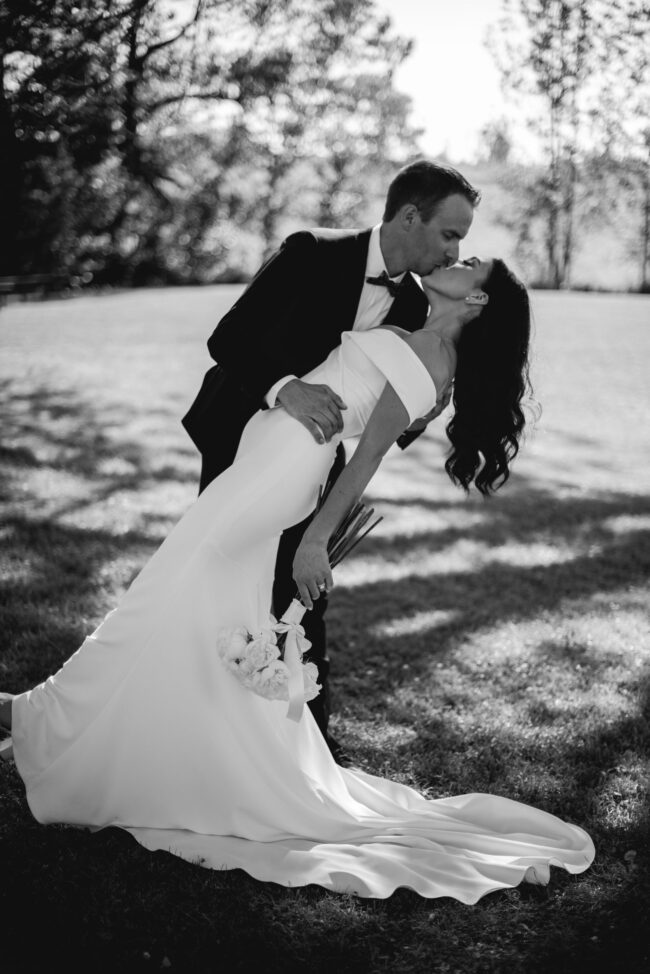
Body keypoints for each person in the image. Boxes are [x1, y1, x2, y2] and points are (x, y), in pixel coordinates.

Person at [0, 256, 595, 902]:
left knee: (163, 595)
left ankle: (42, 719)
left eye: (469, 262)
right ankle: (149, 746)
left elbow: (364, 460)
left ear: (477, 300)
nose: (456, 258)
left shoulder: (430, 357)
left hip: (282, 471)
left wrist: (314, 540)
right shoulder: (422, 339)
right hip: (267, 457)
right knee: (190, 605)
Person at [182, 160, 480, 755]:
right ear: (409, 216)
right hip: (243, 438)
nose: (454, 251)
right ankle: (207, 730)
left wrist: (425, 410)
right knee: (222, 580)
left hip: (316, 462)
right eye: (450, 234)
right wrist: (283, 387)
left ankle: (305, 748)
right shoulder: (312, 251)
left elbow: (387, 425)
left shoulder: (418, 310)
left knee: (303, 600)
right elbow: (228, 338)